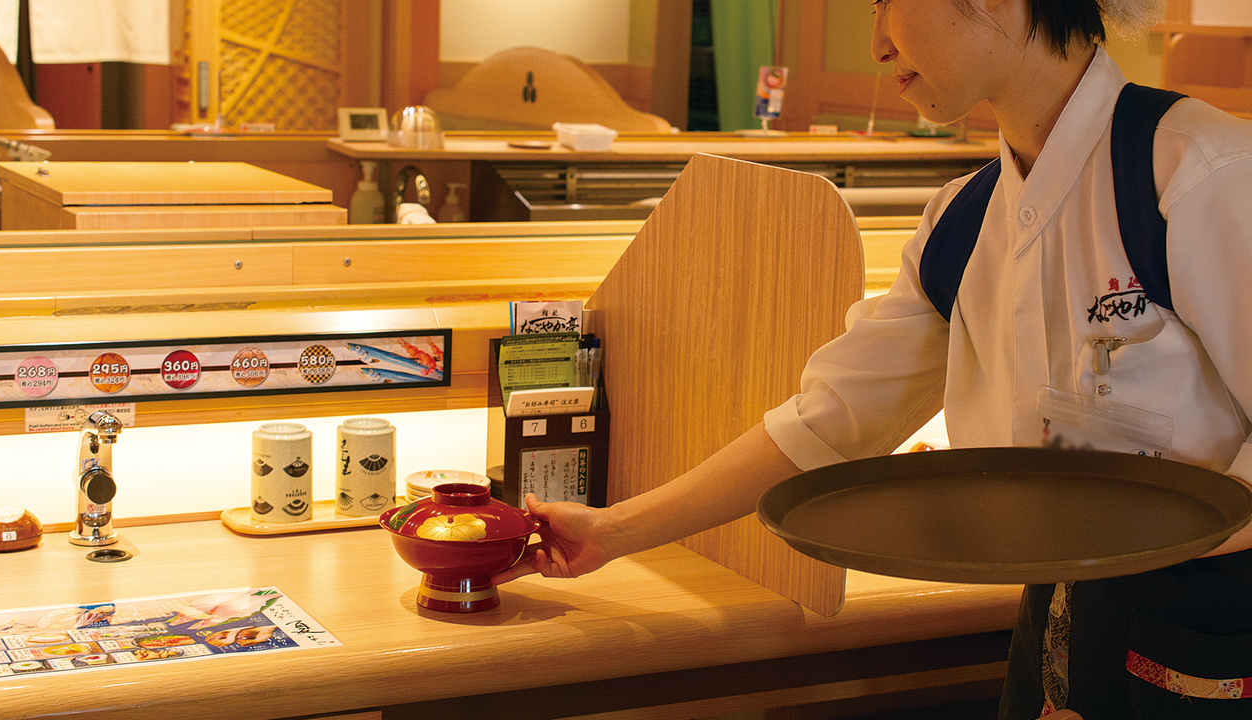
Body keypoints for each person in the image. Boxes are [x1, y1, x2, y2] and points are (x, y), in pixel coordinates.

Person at [493, 1, 1252, 718]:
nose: (877, 42)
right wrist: (614, 531)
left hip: (1213, 624)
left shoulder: (1198, 173)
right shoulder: (962, 224)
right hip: (1054, 616)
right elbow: (829, 424)